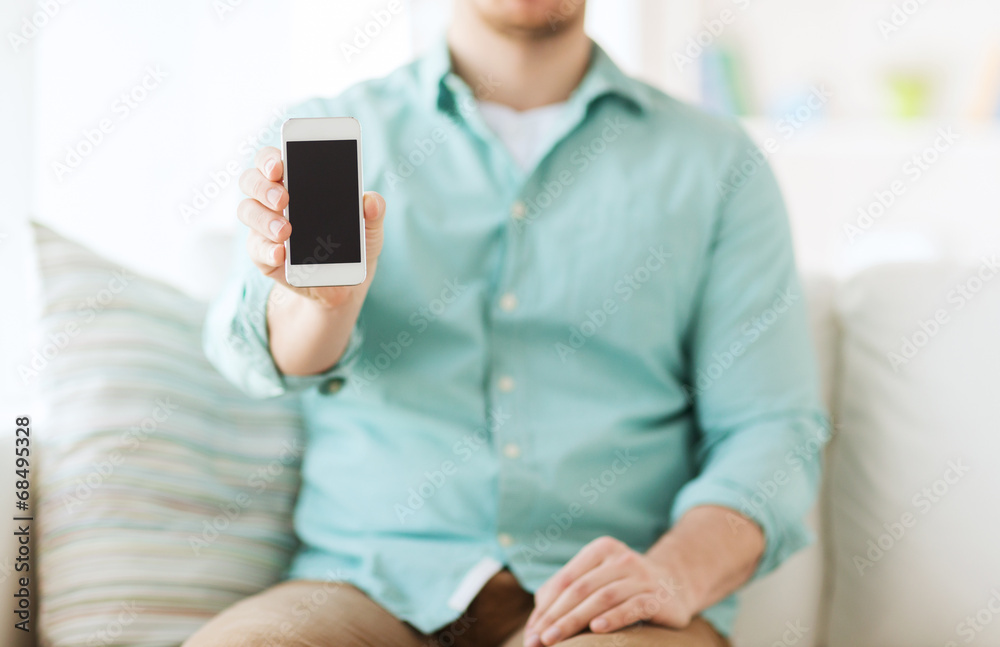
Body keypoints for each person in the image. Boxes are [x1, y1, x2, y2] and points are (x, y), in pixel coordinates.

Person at [186, 0, 829, 645]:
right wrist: (320, 306)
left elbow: (771, 429)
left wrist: (673, 575)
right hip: (365, 588)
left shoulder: (716, 163)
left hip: (602, 607)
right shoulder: (331, 129)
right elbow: (254, 354)